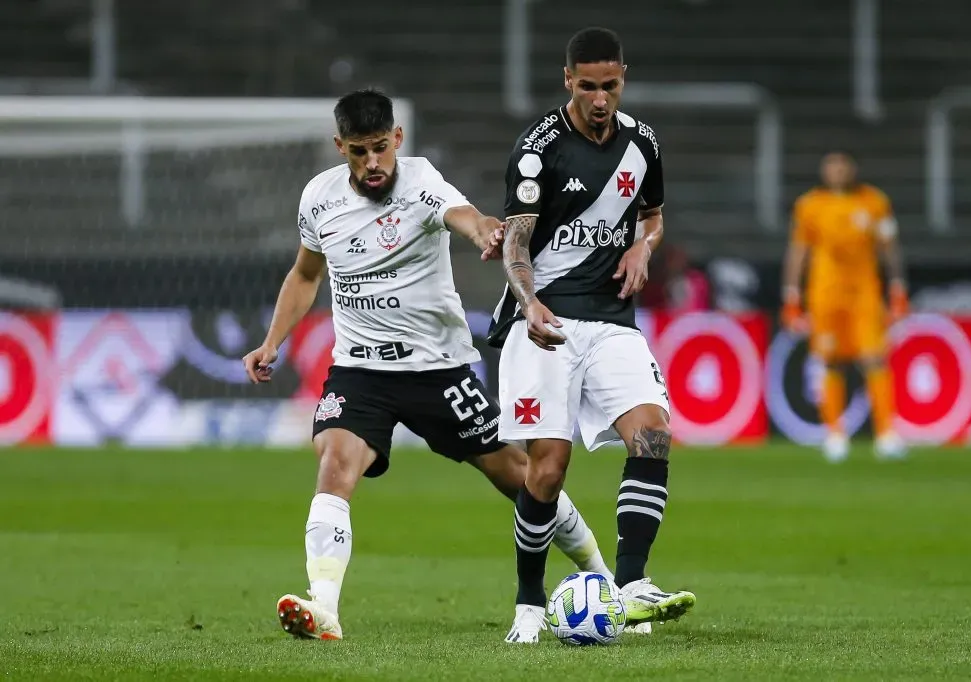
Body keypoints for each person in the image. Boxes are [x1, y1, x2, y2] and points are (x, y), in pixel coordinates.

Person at [242, 89, 613, 641]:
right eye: (359, 152)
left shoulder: (419, 181)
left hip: (438, 370)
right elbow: (305, 275)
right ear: (340, 147)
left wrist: (486, 228)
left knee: (520, 478)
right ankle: (324, 608)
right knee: (335, 465)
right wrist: (272, 341)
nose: (372, 164)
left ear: (397, 139)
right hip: (361, 371)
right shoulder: (318, 199)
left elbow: (460, 214)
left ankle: (603, 579)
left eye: (380, 149)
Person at [488, 27, 696, 644]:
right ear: (567, 80)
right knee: (547, 471)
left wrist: (643, 246)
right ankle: (528, 602)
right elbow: (517, 242)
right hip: (546, 323)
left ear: (623, 78)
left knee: (653, 434)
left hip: (610, 321)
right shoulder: (537, 151)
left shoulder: (644, 143)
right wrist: (527, 301)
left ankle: (631, 588)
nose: (600, 99)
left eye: (610, 86)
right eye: (588, 87)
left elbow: (654, 216)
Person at [781, 151, 909, 462]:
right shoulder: (810, 205)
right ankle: (835, 434)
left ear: (853, 169)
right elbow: (799, 251)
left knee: (874, 358)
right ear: (824, 171)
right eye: (832, 166)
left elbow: (889, 248)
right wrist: (791, 296)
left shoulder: (874, 202)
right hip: (825, 295)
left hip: (864, 294)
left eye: (843, 165)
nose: (838, 171)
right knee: (831, 361)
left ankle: (886, 433)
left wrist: (898, 288)